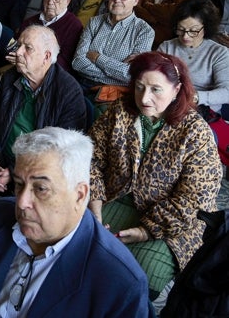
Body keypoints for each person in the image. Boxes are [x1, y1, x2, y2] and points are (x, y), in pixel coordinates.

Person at [0, 127, 151, 317]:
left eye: (40, 189)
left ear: (79, 195)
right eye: (18, 184)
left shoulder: (120, 281)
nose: (22, 202)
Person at [88, 51, 223, 299]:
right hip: (113, 199)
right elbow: (91, 158)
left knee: (134, 279)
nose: (145, 98)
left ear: (177, 89)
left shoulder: (195, 132)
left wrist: (144, 231)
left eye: (156, 89)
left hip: (171, 225)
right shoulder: (120, 111)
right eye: (139, 87)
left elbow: (194, 201)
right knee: (75, 252)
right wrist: (94, 207)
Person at [0, 25, 87, 216]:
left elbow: (58, 153)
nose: (18, 52)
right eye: (19, 45)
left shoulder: (68, 92)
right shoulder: (10, 78)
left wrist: (13, 173)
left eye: (27, 48)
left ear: (46, 57)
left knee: (17, 214)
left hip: (34, 169)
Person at [72, 0, 155, 88]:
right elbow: (77, 61)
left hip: (115, 91)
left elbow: (130, 74)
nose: (117, 0)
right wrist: (112, 74)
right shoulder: (94, 22)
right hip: (82, 83)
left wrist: (97, 58)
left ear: (135, 0)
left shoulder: (144, 31)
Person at [158, 0, 229, 113]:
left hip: (203, 111)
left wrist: (195, 97)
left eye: (193, 31)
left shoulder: (218, 53)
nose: (185, 36)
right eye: (181, 29)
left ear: (206, 28)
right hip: (169, 107)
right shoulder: (167, 47)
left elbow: (227, 92)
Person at [20, 0, 83, 73]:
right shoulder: (30, 21)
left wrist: (31, 64)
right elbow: (15, 46)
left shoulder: (74, 26)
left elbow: (64, 63)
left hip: (50, 77)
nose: (50, 2)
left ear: (68, 1)